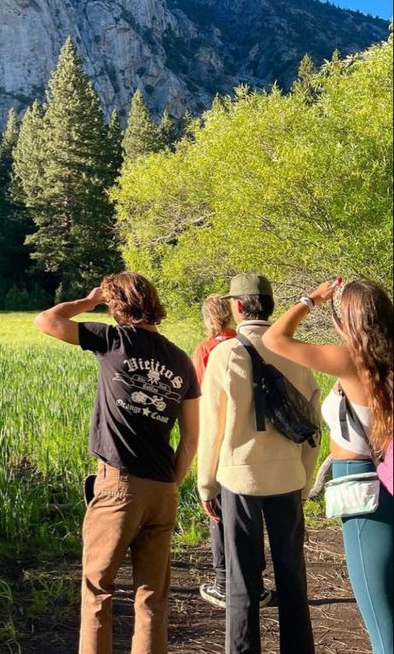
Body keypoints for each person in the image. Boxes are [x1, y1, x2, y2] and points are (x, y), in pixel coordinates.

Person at [35, 271, 200, 654]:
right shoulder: (181, 361)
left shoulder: (113, 340)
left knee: (98, 590)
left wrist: (87, 301)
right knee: (152, 598)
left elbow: (46, 320)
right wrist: (171, 486)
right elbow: (190, 440)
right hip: (163, 490)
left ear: (118, 306)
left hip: (119, 485)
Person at [263, 279, 393, 654]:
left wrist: (311, 300)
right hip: (388, 476)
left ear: (347, 321)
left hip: (362, 489)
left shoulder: (351, 360)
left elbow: (275, 340)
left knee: (379, 617)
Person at [197, 273, 319, 654]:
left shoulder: (224, 354)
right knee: (292, 577)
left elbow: (212, 428)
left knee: (242, 581)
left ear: (236, 307)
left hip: (239, 480)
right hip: (287, 477)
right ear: (269, 306)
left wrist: (206, 485)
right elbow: (313, 425)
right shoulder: (295, 352)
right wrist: (304, 480)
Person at [193, 295, 274, 610]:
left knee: (220, 516)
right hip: (258, 440)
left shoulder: (208, 350)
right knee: (253, 516)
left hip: (224, 444)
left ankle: (224, 583)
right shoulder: (252, 341)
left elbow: (202, 402)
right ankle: (256, 583)